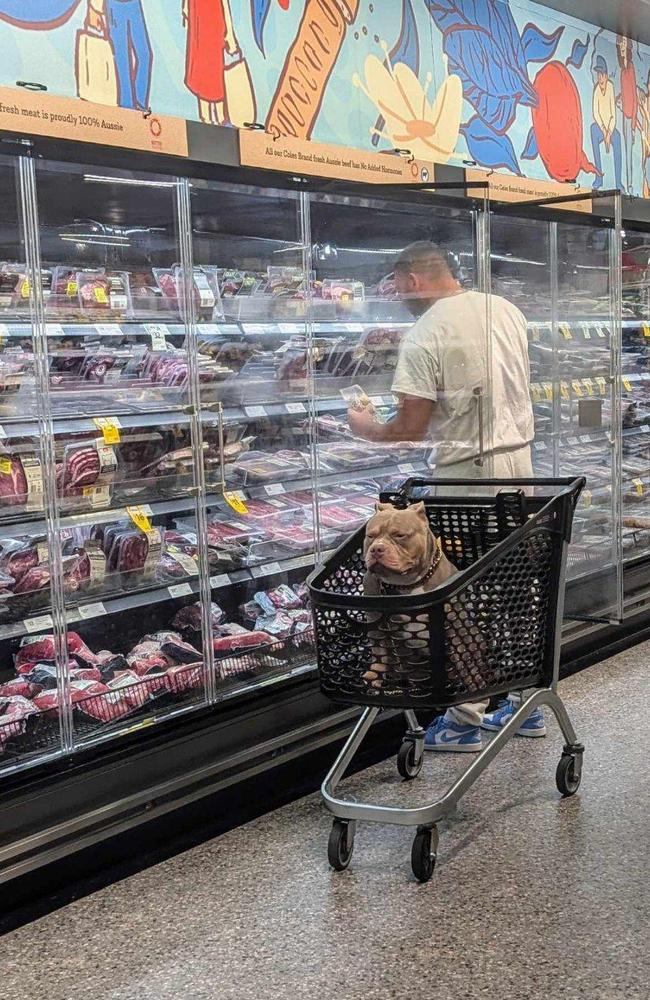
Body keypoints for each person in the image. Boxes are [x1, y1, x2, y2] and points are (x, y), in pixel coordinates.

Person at [348, 241, 544, 751]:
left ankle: (464, 719)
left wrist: (367, 429)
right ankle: (522, 704)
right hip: (519, 467)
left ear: (413, 279)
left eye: (396, 286)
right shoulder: (504, 309)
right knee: (515, 587)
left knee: (461, 598)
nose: (396, 297)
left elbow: (411, 427)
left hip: (466, 477)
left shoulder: (426, 332)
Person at [87, 0, 152, 111]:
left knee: (145, 55)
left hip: (133, 4)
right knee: (122, 59)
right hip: (114, 6)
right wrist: (94, 9)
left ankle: (140, 103)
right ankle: (127, 104)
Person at [183, 0, 238, 125]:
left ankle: (220, 119)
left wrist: (230, 34)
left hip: (213, 21)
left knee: (214, 72)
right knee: (199, 69)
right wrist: (186, 6)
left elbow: (225, 3)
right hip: (197, 17)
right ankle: (206, 119)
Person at [591, 55, 623, 191]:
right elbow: (596, 113)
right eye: (598, 75)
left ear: (605, 75)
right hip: (600, 127)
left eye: (602, 75)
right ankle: (599, 178)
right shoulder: (596, 90)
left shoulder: (610, 87)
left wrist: (609, 132)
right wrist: (604, 131)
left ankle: (618, 182)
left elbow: (613, 114)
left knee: (618, 138)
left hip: (610, 127)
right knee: (592, 130)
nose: (600, 78)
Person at [616, 35, 638, 194]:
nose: (622, 46)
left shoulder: (630, 68)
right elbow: (625, 93)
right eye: (620, 43)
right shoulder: (622, 69)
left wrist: (634, 124)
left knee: (630, 152)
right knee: (624, 150)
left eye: (624, 43)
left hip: (630, 116)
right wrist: (618, 99)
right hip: (623, 115)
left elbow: (634, 98)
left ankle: (630, 186)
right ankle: (626, 183)